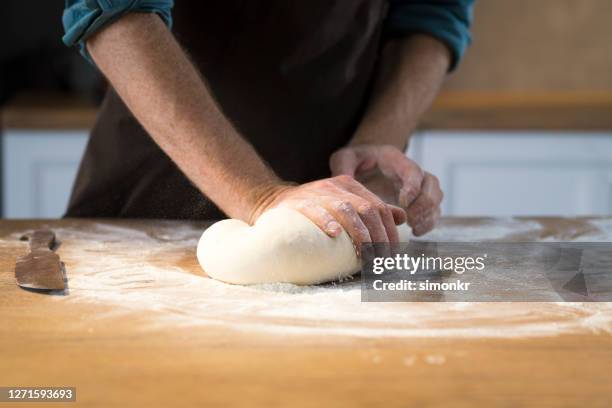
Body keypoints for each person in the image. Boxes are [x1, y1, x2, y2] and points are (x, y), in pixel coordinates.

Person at [62, 0, 473, 250]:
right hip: (157, 186)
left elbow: (432, 14)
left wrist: (377, 143)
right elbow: (117, 13)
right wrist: (259, 196)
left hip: (336, 186)